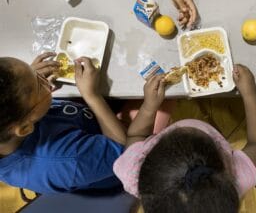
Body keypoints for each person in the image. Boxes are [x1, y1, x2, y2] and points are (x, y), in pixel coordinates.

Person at [113, 64, 256, 213]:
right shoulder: (234, 181)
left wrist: (149, 107)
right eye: (213, 140)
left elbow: (136, 135)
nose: (189, 126)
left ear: (146, 161)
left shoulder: (133, 174)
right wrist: (250, 93)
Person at [0, 53, 147, 194]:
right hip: (121, 162)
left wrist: (26, 81)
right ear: (25, 127)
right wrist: (92, 95)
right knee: (158, 107)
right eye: (38, 84)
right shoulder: (68, 160)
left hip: (87, 120)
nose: (39, 75)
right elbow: (126, 153)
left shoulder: (14, 126)